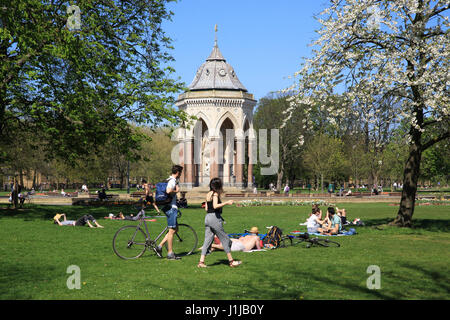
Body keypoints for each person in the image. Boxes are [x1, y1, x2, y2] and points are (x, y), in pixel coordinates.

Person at [197, 177, 241, 268]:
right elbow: (215, 205)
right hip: (214, 218)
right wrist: (227, 203)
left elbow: (206, 208)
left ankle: (201, 262)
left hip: (207, 218)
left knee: (207, 241)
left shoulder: (208, 194)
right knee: (226, 239)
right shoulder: (215, 194)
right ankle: (231, 262)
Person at [153, 165, 183, 260]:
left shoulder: (168, 179)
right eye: (180, 173)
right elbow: (168, 190)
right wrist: (176, 191)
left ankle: (160, 246)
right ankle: (170, 253)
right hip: (171, 208)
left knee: (175, 229)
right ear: (178, 172)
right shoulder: (172, 181)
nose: (181, 174)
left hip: (166, 206)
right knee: (171, 231)